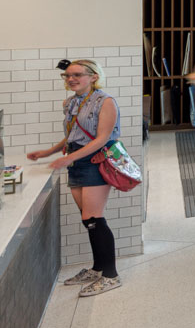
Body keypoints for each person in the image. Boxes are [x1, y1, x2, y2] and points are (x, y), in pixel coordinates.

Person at [25, 59, 124, 296]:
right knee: (87, 219)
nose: (71, 79)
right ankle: (97, 269)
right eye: (67, 75)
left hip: (95, 161)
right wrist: (48, 152)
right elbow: (73, 134)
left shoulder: (106, 101)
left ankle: (111, 276)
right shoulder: (71, 102)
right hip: (76, 161)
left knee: (94, 218)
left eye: (77, 75)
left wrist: (68, 158)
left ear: (93, 77)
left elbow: (102, 138)